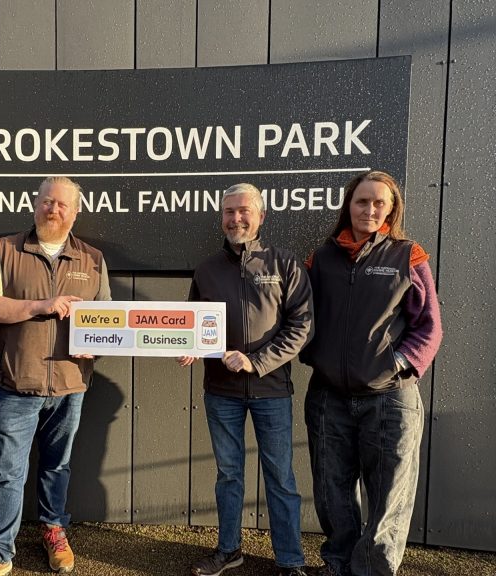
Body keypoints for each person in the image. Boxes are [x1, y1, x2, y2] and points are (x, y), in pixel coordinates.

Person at [301, 170, 443, 576]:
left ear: (392, 208)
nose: (370, 209)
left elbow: (429, 327)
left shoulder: (407, 255)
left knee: (389, 495)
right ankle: (338, 564)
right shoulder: (322, 257)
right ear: (348, 205)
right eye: (362, 201)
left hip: (390, 395)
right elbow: (301, 315)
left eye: (379, 202)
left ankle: (373, 570)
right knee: (332, 492)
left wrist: (396, 364)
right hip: (329, 396)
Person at [0, 176, 111, 576]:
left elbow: (109, 320)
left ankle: (53, 530)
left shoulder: (92, 259)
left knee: (57, 466)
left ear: (75, 211)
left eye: (63, 205)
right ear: (35, 204)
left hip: (70, 385)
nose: (54, 210)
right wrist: (40, 306)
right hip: (18, 383)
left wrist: (96, 345)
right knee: (7, 471)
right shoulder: (5, 249)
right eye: (48, 202)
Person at [178, 183, 313, 576]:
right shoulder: (206, 270)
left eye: (243, 211)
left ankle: (290, 560)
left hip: (272, 391)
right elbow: (194, 324)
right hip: (221, 392)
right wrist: (189, 344)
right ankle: (228, 549)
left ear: (261, 216)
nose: (235, 219)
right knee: (229, 474)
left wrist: (256, 361)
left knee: (281, 477)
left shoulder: (285, 265)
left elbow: (302, 326)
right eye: (229, 212)